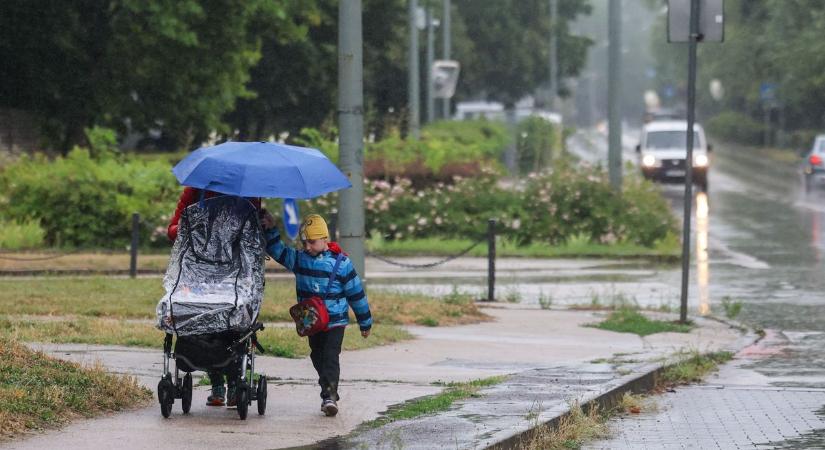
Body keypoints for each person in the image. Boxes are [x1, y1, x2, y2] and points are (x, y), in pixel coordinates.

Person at [260, 212, 372, 417]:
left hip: (335, 322)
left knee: (330, 356)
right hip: (311, 322)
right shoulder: (300, 260)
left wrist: (365, 322)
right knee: (317, 355)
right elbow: (278, 251)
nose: (308, 247)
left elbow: (356, 294)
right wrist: (271, 228)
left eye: (312, 242)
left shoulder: (341, 263)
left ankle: (329, 395)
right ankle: (328, 387)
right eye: (305, 243)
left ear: (324, 239)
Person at [167, 186, 262, 407]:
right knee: (205, 327)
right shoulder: (195, 192)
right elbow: (173, 228)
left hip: (235, 275)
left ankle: (235, 382)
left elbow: (254, 234)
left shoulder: (248, 194)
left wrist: (264, 225)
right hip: (199, 275)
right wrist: (183, 229)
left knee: (234, 325)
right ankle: (218, 383)